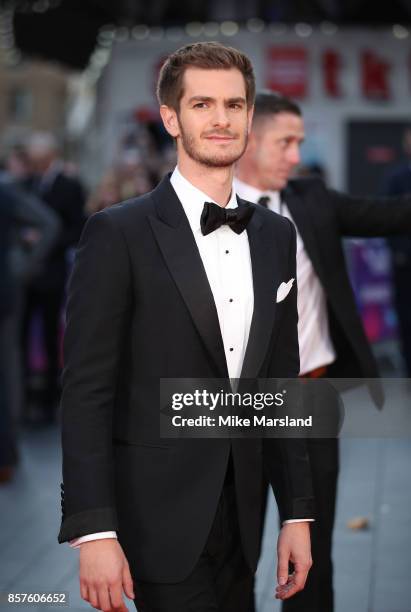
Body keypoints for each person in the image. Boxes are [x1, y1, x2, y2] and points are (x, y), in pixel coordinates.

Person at [58, 43, 315, 612]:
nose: (220, 119)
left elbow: (281, 386)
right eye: (201, 104)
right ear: (172, 118)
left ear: (250, 115)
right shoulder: (116, 233)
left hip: (244, 522)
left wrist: (296, 512)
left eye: (233, 104)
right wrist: (94, 530)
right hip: (154, 521)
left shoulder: (276, 236)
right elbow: (86, 393)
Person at [235, 91, 411, 612]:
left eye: (300, 143)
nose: (297, 155)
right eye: (285, 143)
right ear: (248, 141)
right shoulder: (204, 206)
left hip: (311, 397)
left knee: (313, 550)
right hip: (229, 405)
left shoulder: (312, 197)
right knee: (227, 545)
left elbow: (394, 214)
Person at [22, 133, 86, 420]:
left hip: (52, 272)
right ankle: (25, 397)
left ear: (48, 154)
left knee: (50, 336)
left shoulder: (70, 186)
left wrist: (45, 239)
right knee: (22, 337)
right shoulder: (28, 184)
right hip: (26, 274)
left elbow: (77, 228)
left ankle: (49, 400)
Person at [382, 126, 411, 377]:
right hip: (404, 260)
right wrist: (397, 250)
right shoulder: (397, 178)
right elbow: (384, 217)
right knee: (405, 311)